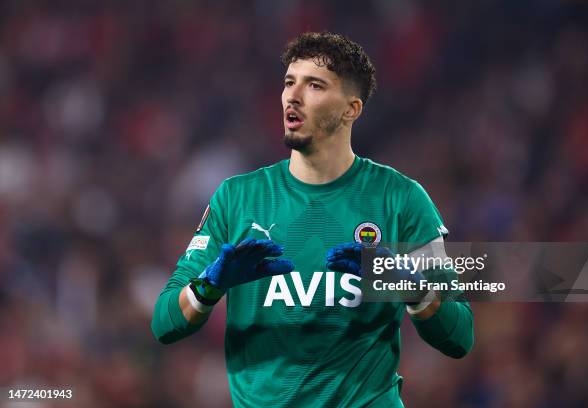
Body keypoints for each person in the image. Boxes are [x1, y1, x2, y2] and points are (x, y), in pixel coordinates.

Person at [151, 32, 474, 407]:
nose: (293, 95)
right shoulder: (237, 198)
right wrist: (209, 286)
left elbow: (459, 336)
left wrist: (412, 288)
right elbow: (164, 323)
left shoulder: (400, 199)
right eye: (289, 82)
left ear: (351, 109)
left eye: (314, 85)